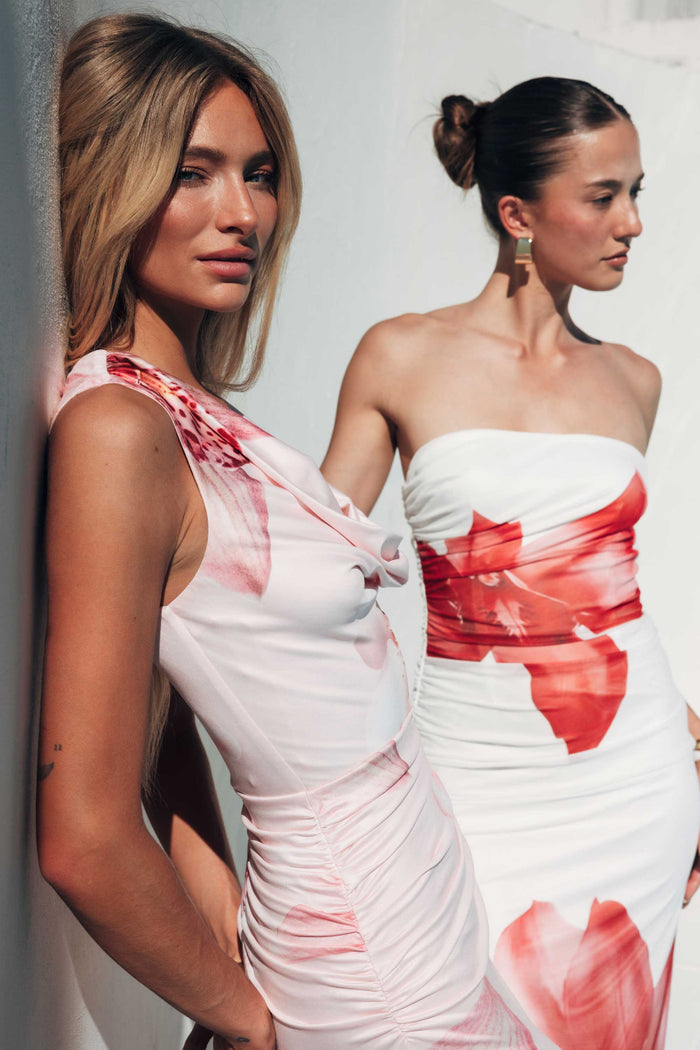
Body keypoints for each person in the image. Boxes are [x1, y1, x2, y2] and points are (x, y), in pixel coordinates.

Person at [37, 15, 560, 1050]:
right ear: (112, 178)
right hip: (366, 974)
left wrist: (219, 904)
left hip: (418, 926)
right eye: (193, 173)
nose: (244, 214)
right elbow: (84, 833)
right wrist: (245, 1024)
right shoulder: (114, 431)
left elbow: (166, 707)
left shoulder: (193, 413)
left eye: (259, 173)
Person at [322, 77, 700, 1049]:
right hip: (471, 781)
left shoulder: (633, 381)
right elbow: (316, 573)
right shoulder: (400, 357)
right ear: (517, 214)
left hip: (634, 779)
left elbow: (610, 597)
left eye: (637, 192)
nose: (634, 224)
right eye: (605, 195)